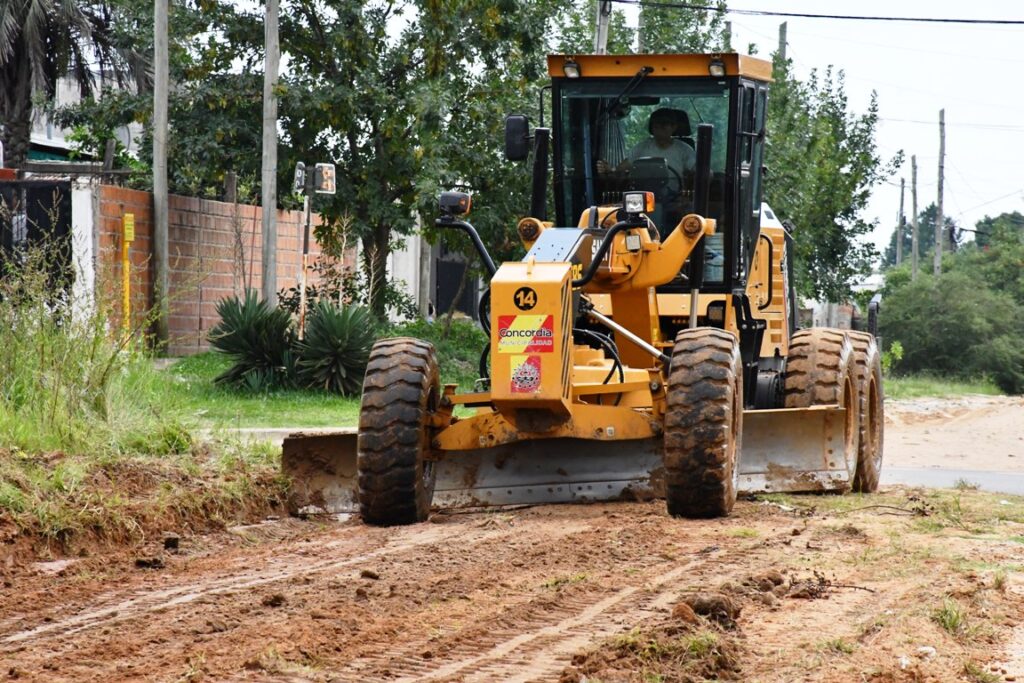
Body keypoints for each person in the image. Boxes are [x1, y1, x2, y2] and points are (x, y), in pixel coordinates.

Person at [597, 108, 695, 180]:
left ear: (674, 127)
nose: (660, 128)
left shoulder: (684, 150)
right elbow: (619, 170)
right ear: (651, 128)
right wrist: (609, 170)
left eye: (664, 124)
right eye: (656, 124)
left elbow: (700, 173)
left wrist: (707, 173)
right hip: (642, 202)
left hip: (676, 201)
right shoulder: (641, 148)